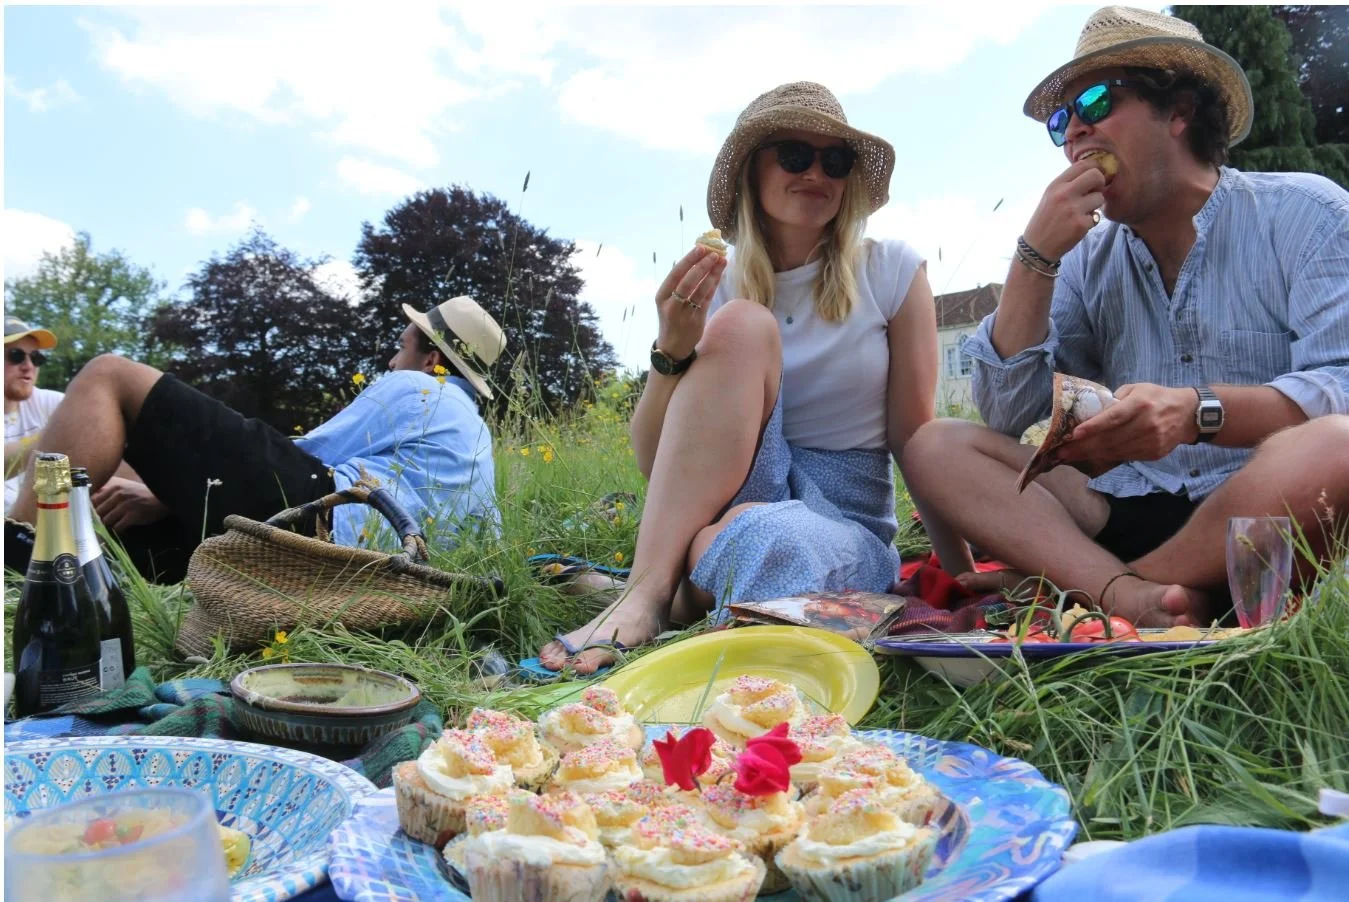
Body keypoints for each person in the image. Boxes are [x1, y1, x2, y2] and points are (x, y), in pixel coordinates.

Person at [902, 7, 1349, 628]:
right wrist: (1034, 259)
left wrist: (1196, 413)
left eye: (1095, 101)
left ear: (1179, 108)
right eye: (1062, 122)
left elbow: (1341, 390)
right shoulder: (1086, 261)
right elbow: (1008, 417)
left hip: (1262, 508)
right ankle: (1138, 596)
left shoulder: (1307, 214)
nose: (1075, 133)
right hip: (1128, 505)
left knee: (1338, 445)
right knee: (934, 444)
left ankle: (1116, 590)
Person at [538, 81, 972, 673]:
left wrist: (962, 571)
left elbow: (914, 438)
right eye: (794, 154)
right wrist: (671, 348)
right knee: (742, 324)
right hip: (731, 491)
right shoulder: (716, 280)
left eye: (836, 160)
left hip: (842, 512)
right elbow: (651, 459)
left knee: (767, 538)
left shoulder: (890, 269)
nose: (816, 171)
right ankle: (646, 591)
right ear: (752, 169)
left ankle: (684, 583)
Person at [9, 297, 505, 582]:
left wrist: (170, 490)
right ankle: (76, 570)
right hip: (372, 563)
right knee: (123, 466)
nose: (392, 362)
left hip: (326, 523)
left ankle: (17, 548)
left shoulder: (417, 388)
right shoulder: (476, 433)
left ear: (432, 360)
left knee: (108, 377)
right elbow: (489, 537)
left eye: (401, 347)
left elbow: (304, 456)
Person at [5, 317, 65, 516]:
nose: (29, 366)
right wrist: (63, 437)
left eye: (36, 358)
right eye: (16, 356)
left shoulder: (47, 402)